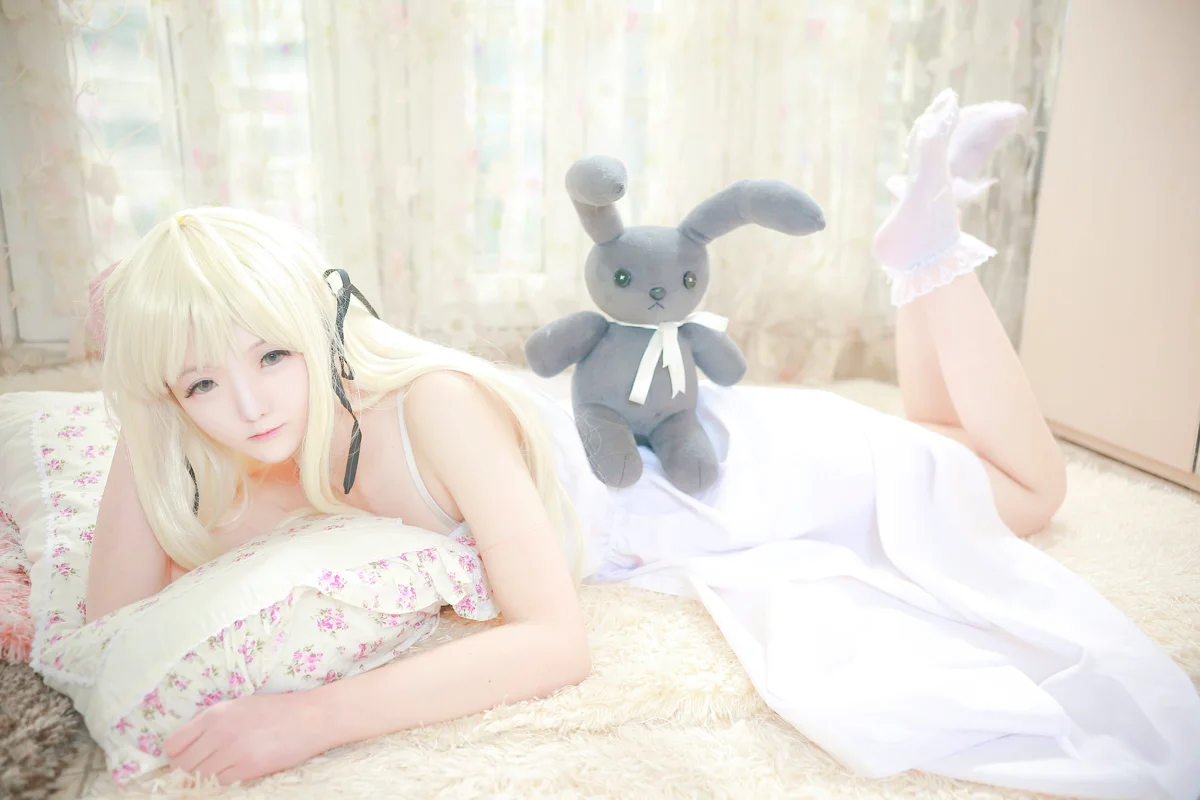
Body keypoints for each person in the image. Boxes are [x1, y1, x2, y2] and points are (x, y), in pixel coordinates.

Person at [84, 90, 1200, 798]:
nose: (248, 405)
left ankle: (929, 251)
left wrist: (308, 721)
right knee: (941, 442)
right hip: (680, 469)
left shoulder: (430, 405)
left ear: (316, 323)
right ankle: (920, 241)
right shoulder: (258, 452)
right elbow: (105, 625)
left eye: (272, 354)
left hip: (740, 472)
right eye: (201, 381)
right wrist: (143, 382)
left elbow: (554, 643)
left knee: (1029, 488)